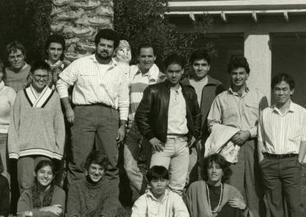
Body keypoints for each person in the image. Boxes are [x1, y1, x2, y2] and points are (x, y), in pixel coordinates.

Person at [207, 56, 269, 217]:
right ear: (230, 75)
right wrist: (231, 133)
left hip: (252, 147)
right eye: (234, 73)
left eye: (241, 73)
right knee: (234, 192)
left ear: (247, 74)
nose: (238, 77)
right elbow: (212, 123)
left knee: (255, 192)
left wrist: (248, 133)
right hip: (229, 149)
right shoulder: (221, 99)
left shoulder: (259, 97)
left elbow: (266, 124)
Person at [57, 29, 129, 187]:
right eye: (102, 45)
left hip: (110, 116)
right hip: (83, 114)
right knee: (78, 161)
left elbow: (124, 100)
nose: (105, 49)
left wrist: (122, 125)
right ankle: (76, 207)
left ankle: (107, 207)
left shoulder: (119, 70)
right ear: (96, 45)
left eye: (109, 46)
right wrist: (68, 108)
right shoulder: (82, 63)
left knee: (110, 162)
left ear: (114, 49)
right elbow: (62, 82)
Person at [258, 73, 306, 217]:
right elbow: (260, 139)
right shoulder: (266, 113)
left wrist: (299, 162)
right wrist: (262, 161)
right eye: (277, 89)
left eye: (284, 89)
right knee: (275, 206)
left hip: (291, 163)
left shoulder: (301, 113)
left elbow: (305, 140)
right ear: (273, 91)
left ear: (292, 91)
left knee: (295, 206)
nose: (280, 93)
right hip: (270, 163)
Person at [134, 54, 201, 195]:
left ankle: (173, 216)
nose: (174, 75)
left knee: (178, 186)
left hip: (183, 143)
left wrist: (194, 134)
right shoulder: (154, 90)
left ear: (183, 71)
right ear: (165, 71)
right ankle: (151, 216)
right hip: (162, 144)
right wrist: (150, 136)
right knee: (155, 183)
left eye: (177, 71)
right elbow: (141, 115)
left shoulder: (189, 92)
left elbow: (197, 115)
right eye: (171, 71)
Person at [8, 60, 65, 194]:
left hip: (46, 149)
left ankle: (42, 214)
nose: (41, 79)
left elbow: (59, 127)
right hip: (24, 150)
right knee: (26, 184)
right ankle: (25, 213)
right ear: (32, 76)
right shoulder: (21, 95)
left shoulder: (54, 97)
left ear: (48, 77)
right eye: (38, 76)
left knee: (44, 185)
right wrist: (13, 152)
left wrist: (58, 152)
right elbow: (14, 124)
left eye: (44, 76)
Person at [184, 154, 254, 217]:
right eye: (210, 167)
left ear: (223, 171)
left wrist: (244, 208)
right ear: (205, 170)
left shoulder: (232, 191)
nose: (213, 171)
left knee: (233, 205)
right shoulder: (195, 188)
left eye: (218, 168)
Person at [123, 44, 165, 200]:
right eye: (143, 56)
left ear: (154, 58)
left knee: (153, 167)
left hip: (150, 129)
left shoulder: (161, 78)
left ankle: (157, 200)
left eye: (149, 56)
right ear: (138, 58)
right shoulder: (131, 73)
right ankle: (150, 196)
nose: (146, 59)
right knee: (129, 167)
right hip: (132, 127)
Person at [181, 49, 225, 179]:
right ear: (191, 65)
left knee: (208, 173)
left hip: (209, 137)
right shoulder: (182, 85)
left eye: (203, 65)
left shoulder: (217, 86)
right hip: (188, 136)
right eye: (196, 64)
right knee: (187, 173)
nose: (200, 68)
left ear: (209, 67)